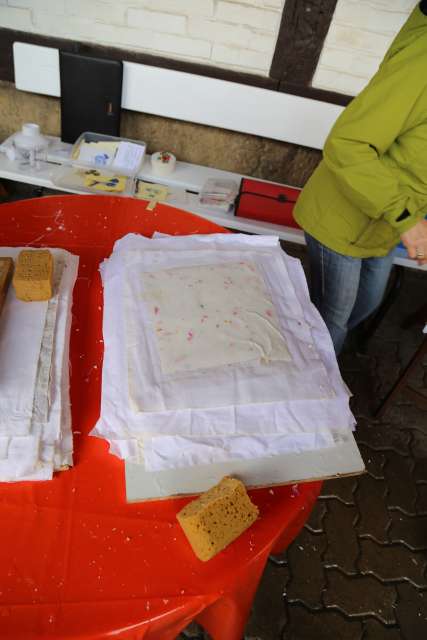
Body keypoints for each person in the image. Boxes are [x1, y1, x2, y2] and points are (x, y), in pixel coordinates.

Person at [294, 1, 427, 354]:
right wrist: (408, 219)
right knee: (333, 320)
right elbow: (348, 144)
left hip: (385, 223)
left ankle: (306, 349)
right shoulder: (422, 65)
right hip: (343, 219)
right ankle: (314, 377)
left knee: (364, 305)